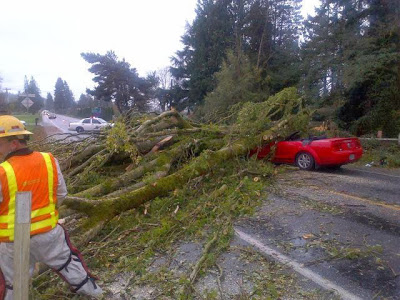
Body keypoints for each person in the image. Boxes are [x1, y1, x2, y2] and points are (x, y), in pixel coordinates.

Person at [0, 116, 102, 299]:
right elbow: (61, 194)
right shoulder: (49, 160)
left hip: (11, 242)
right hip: (49, 235)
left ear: (13, 143)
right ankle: (98, 296)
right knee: (72, 268)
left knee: (13, 286)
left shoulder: (2, 172)